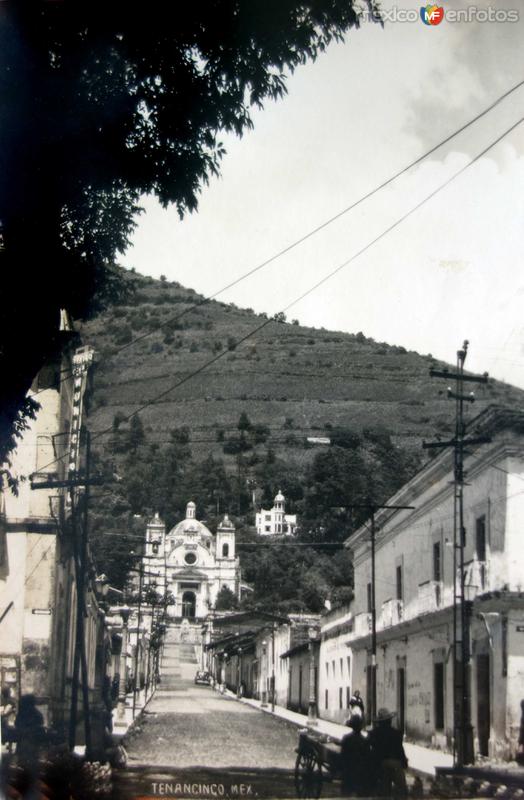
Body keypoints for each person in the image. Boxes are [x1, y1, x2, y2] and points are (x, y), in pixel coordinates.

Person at [368, 707, 408, 798]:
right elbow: (400, 750)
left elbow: (371, 750)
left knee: (384, 791)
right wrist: (404, 762)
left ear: (379, 722)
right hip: (395, 763)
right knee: (401, 791)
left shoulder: (374, 733)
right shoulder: (396, 733)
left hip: (380, 764)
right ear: (389, 721)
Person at [340, 714, 372, 797]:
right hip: (360, 772)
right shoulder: (364, 741)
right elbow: (367, 757)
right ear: (360, 727)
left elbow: (343, 755)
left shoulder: (346, 738)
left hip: (348, 771)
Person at [1, 687, 16, 751]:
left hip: (6, 719)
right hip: (6, 719)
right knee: (11, 729)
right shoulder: (11, 700)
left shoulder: (5, 700)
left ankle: (9, 745)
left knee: (10, 728)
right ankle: (10, 746)